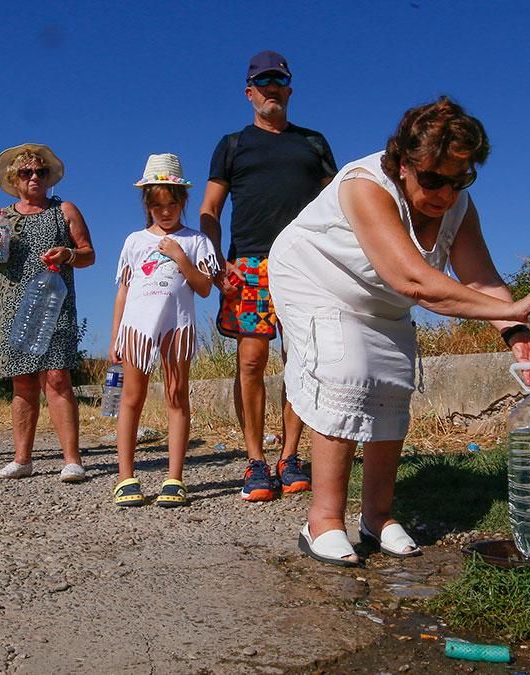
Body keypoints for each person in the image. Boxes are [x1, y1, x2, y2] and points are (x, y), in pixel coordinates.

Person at [268, 97, 530, 566]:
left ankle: (378, 516)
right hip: (314, 277)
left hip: (380, 295)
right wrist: (513, 311)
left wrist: (517, 332)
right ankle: (322, 521)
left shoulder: (458, 205)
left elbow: (480, 278)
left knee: (392, 382)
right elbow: (415, 282)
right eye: (432, 180)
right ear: (404, 164)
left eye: (459, 180)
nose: (445, 193)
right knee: (348, 372)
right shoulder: (365, 186)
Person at [199, 49, 337, 501]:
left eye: (278, 81)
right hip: (249, 265)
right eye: (262, 83)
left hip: (306, 264)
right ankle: (256, 461)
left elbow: (338, 205)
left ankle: (290, 457)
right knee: (252, 362)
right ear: (249, 93)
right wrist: (216, 261)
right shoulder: (232, 144)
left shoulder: (313, 143)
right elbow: (209, 210)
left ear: (289, 89)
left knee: (300, 362)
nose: (271, 89)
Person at [0, 143, 95, 482]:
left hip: (53, 303)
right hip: (12, 305)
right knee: (23, 382)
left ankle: (72, 460)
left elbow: (89, 253)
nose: (34, 178)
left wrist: (69, 254)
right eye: (26, 173)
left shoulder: (64, 210)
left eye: (40, 172)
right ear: (14, 178)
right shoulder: (0, 217)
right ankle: (22, 459)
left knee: (57, 378)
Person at [109, 154, 219, 508]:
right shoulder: (134, 241)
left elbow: (204, 287)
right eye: (157, 205)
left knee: (177, 396)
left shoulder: (195, 240)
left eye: (171, 204)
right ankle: (126, 476)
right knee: (132, 398)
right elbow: (123, 291)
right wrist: (115, 336)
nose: (165, 211)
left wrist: (180, 257)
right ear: (147, 205)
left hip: (176, 327)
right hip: (138, 328)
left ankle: (175, 477)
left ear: (183, 202)